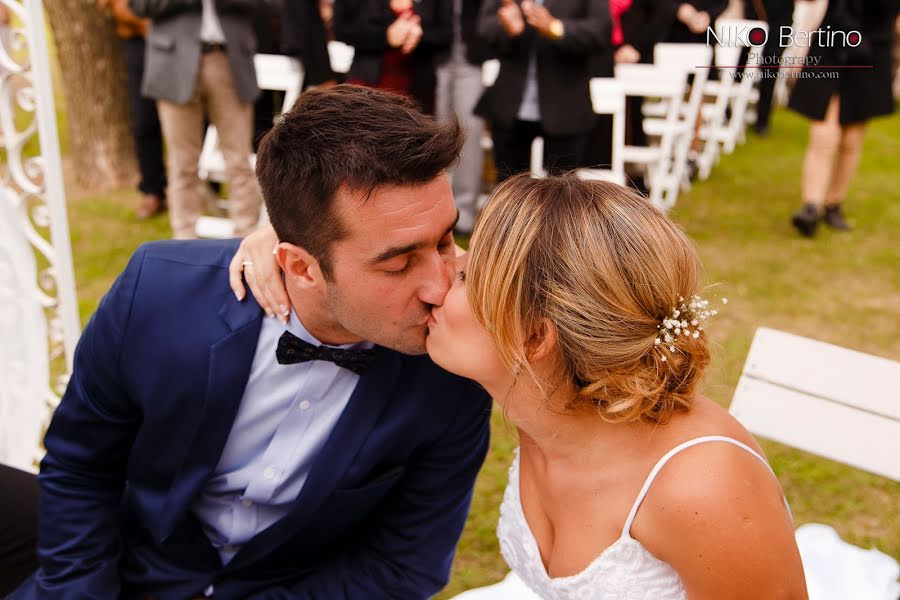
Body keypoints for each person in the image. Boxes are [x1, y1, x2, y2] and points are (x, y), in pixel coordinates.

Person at [5, 85, 491, 598]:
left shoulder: (454, 366)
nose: (440, 284)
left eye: (444, 240)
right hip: (130, 570)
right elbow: (81, 466)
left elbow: (401, 567)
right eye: (398, 263)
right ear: (300, 266)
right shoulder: (157, 294)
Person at [234, 175, 809, 599]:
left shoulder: (703, 493)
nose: (436, 279)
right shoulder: (548, 395)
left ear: (534, 337)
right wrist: (298, 246)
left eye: (465, 275)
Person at [131, 0, 263, 239]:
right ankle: (184, 240)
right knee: (182, 162)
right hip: (172, 61)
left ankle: (246, 238)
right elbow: (140, 5)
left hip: (229, 59)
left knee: (238, 158)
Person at [788, 0, 899, 237]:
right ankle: (811, 206)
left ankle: (833, 204)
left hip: (871, 52)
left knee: (850, 140)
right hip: (833, 48)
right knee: (824, 134)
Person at [475, 0, 611, 181]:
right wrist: (512, 30)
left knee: (563, 195)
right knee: (509, 191)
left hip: (566, 106)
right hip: (510, 108)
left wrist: (556, 28)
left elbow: (601, 31)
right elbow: (485, 26)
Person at [98, 0, 169, 218]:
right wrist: (142, 23)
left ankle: (203, 188)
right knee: (144, 121)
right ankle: (153, 190)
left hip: (180, 37)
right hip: (139, 40)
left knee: (195, 115)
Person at [334, 0, 452, 115]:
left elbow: (447, 35)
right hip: (367, 84)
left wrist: (420, 35)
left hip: (418, 88)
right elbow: (341, 30)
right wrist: (386, 37)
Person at [436, 0, 491, 235]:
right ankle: (437, 209)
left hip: (471, 59)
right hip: (434, 57)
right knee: (436, 137)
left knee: (468, 133)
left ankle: (464, 212)